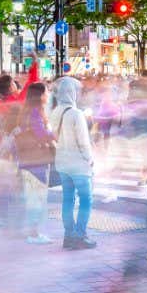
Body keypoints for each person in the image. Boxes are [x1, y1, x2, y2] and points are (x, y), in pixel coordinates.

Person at [50, 77, 96, 249]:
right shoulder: (77, 114)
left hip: (62, 162)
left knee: (68, 199)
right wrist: (90, 160)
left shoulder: (55, 112)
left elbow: (53, 137)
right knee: (86, 199)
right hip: (78, 165)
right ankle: (80, 235)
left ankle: (69, 235)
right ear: (72, 93)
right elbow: (84, 142)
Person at [15, 82, 54, 245]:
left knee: (32, 197)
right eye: (46, 92)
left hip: (27, 160)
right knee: (36, 198)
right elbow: (41, 134)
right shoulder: (35, 113)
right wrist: (55, 134)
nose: (48, 94)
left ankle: (31, 232)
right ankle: (33, 234)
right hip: (36, 160)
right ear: (39, 96)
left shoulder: (26, 112)